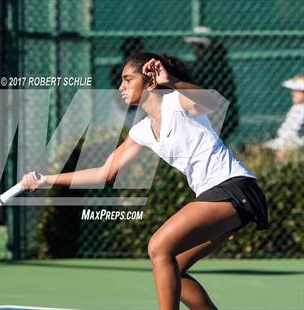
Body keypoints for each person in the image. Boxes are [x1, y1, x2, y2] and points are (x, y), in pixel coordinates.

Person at [21, 52, 268, 310]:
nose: (121, 87)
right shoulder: (142, 131)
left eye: (128, 79)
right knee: (175, 271)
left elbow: (213, 102)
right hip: (218, 196)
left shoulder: (178, 102)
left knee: (159, 247)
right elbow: (104, 172)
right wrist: (46, 179)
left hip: (234, 188)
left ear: (149, 82)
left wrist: (172, 81)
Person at [185, 26, 239, 142]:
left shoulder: (209, 63)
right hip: (220, 114)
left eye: (196, 45)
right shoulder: (218, 60)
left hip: (214, 115)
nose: (194, 49)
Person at [264, 73, 304, 157]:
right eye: (293, 90)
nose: (293, 93)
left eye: (298, 90)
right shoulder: (296, 107)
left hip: (295, 146)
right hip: (282, 142)